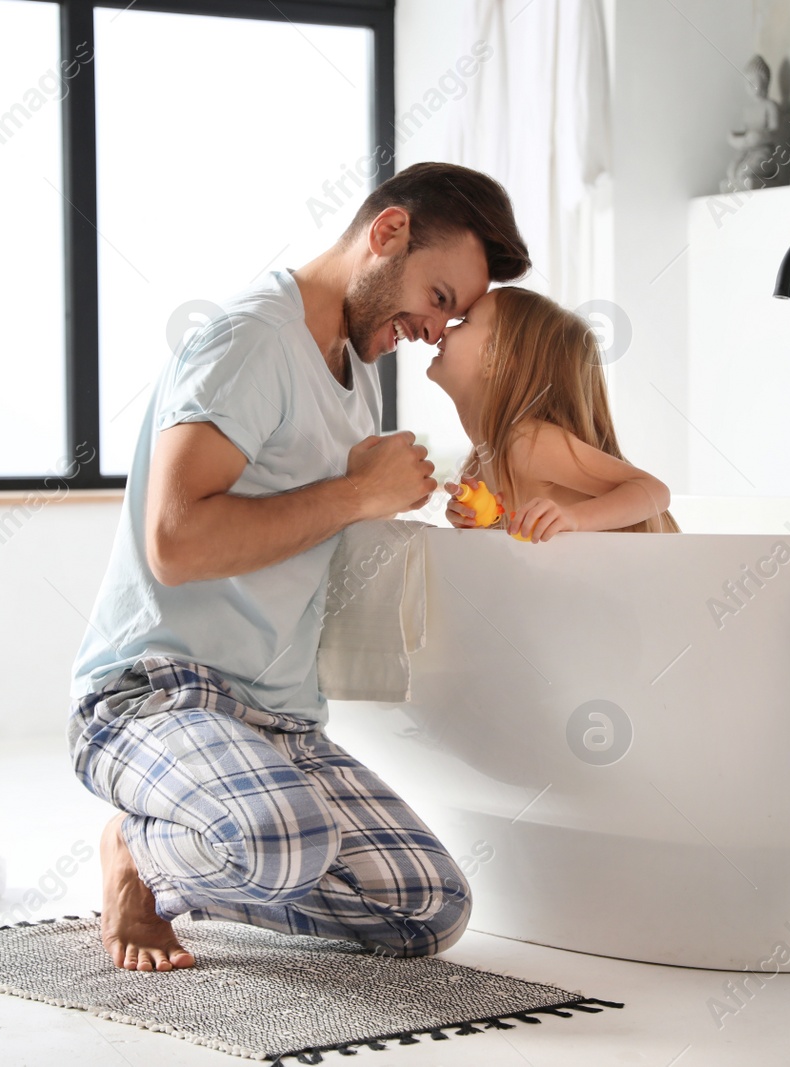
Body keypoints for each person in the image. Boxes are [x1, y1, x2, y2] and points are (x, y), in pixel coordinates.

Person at [65, 163, 530, 972]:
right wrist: (356, 491)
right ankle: (139, 850)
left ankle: (221, 831)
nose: (433, 328)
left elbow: (319, 519)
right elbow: (174, 542)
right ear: (388, 234)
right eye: (439, 296)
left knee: (429, 906)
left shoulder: (357, 372)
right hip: (155, 693)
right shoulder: (253, 340)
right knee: (281, 843)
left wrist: (454, 497)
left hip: (278, 718)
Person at [430, 286, 678, 539]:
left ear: (495, 356)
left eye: (464, 322)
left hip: (656, 572)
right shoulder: (479, 465)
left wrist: (574, 518)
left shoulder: (526, 443)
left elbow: (655, 491)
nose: (446, 329)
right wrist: (480, 520)